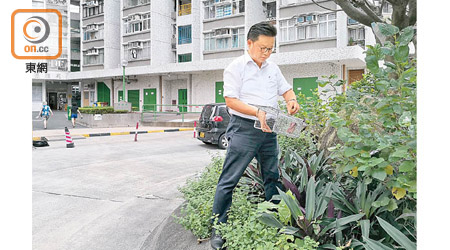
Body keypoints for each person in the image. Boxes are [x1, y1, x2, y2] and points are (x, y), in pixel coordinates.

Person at [210, 22, 300, 249]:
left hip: (269, 129)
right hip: (244, 128)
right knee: (229, 179)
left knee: (272, 176)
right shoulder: (236, 67)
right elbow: (231, 100)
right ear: (249, 43)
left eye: (271, 48)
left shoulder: (272, 68)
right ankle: (218, 229)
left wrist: (291, 100)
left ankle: (274, 220)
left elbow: (286, 89)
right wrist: (257, 112)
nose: (267, 53)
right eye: (263, 48)